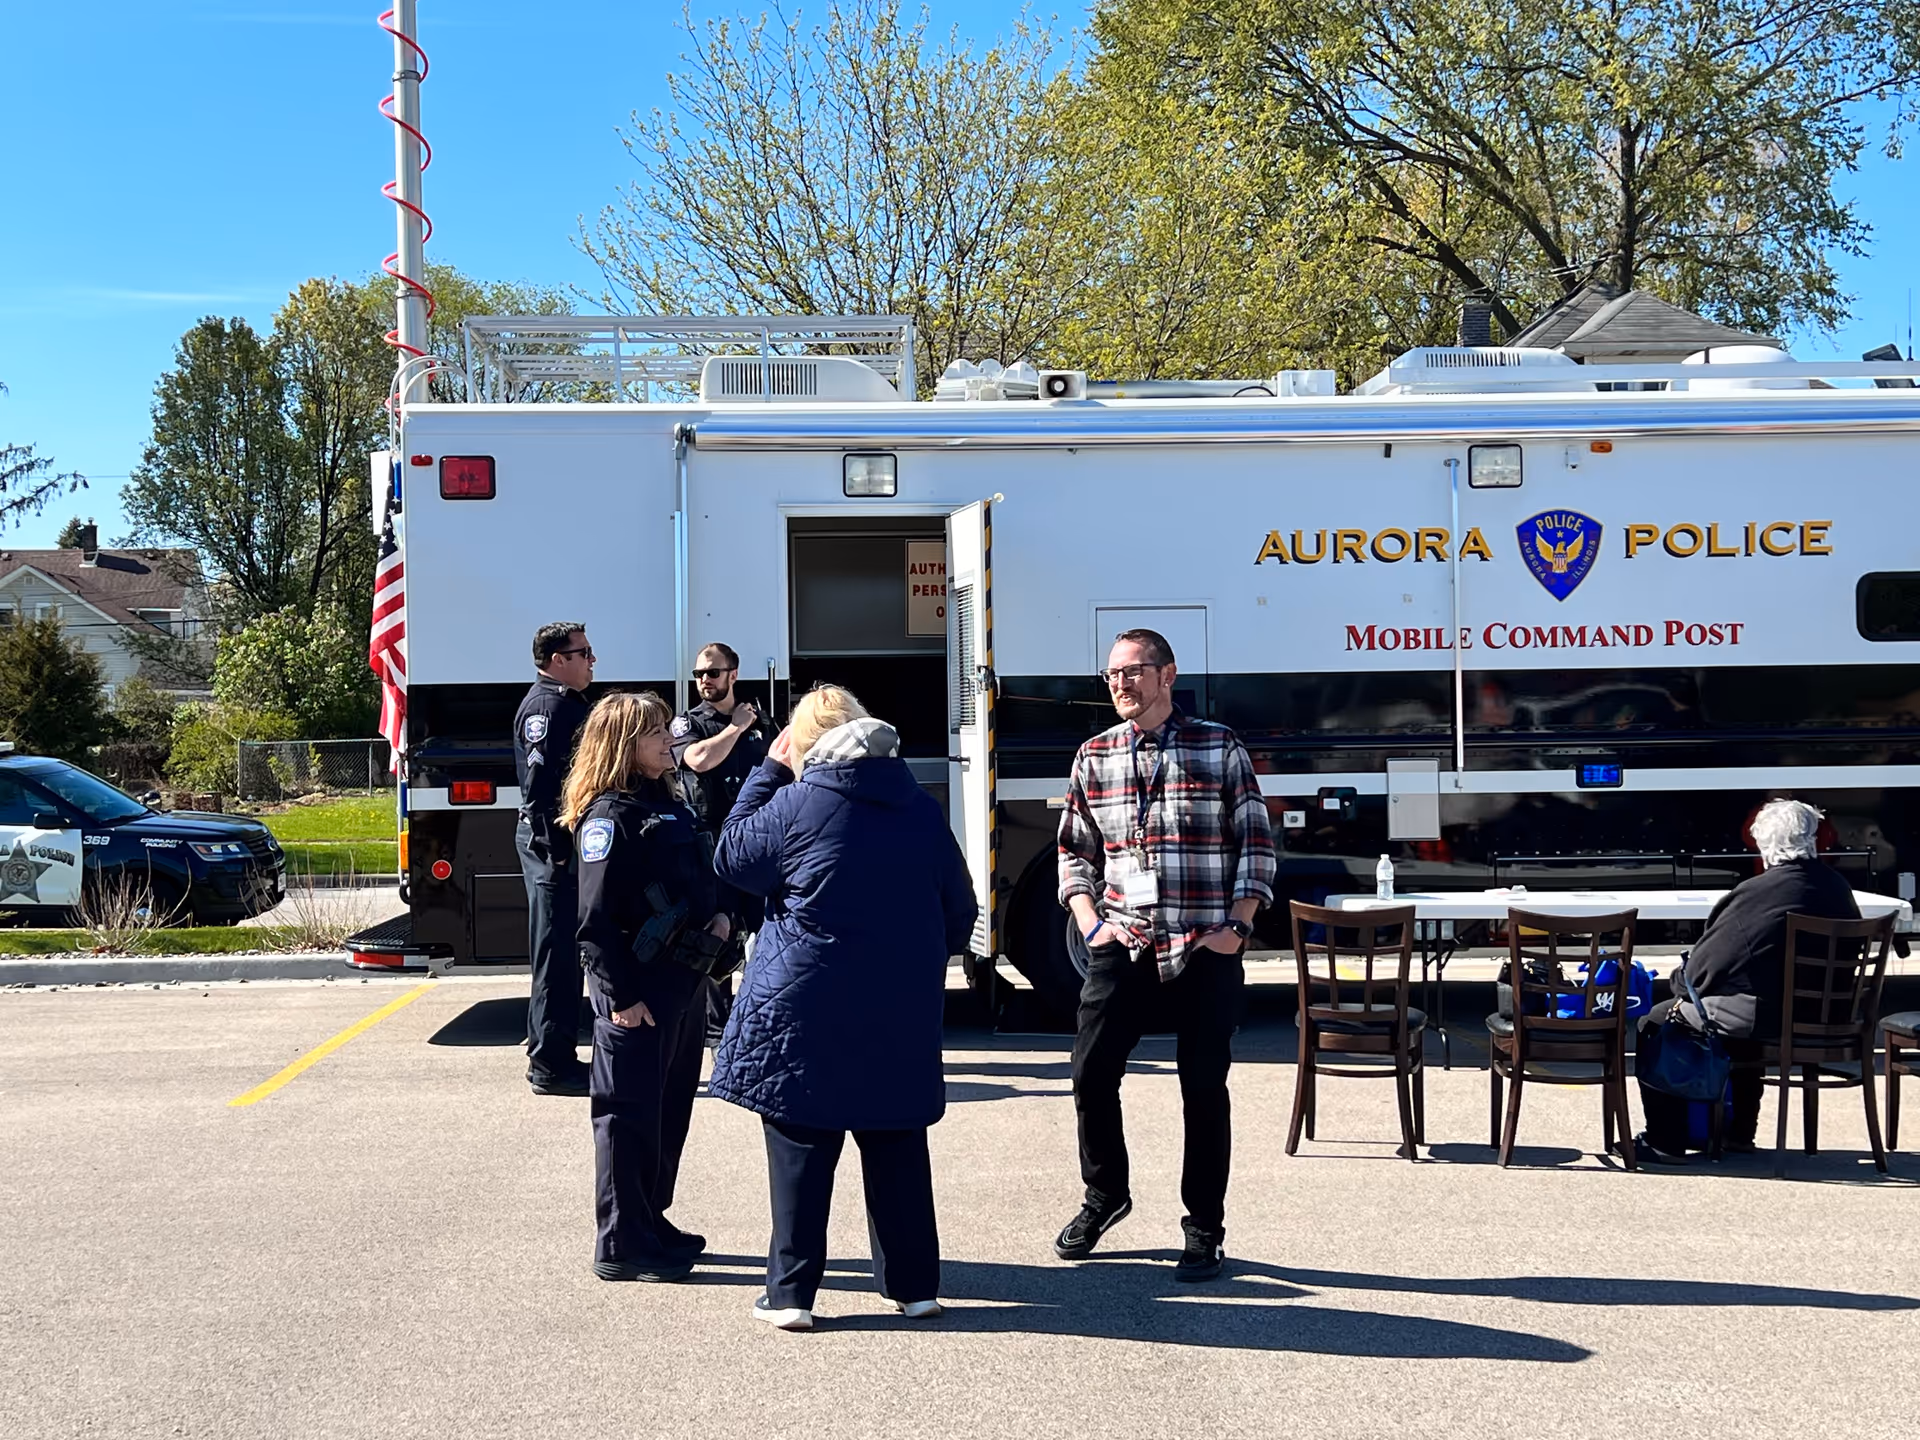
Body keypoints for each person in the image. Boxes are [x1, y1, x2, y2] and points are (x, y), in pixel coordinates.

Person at [710, 685, 976, 1331]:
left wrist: (768, 771)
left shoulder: (799, 801)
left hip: (807, 1005)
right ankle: (915, 1288)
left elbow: (731, 856)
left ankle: (792, 1294)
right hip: (897, 1004)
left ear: (805, 744)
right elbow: (960, 908)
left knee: (802, 1141)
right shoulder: (919, 806)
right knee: (896, 1141)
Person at [1055, 629, 1275, 1281]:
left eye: (1134, 671)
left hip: (1204, 942)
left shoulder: (1218, 745)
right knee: (1091, 1073)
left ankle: (1203, 1228)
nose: (1121, 683)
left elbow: (1255, 841)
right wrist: (1090, 920)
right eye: (1112, 674)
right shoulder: (1094, 755)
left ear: (1168, 675)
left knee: (1202, 1088)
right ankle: (1105, 1194)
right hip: (1124, 942)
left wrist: (1238, 923)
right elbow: (1074, 848)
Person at [564, 691, 733, 1281]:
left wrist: (719, 918)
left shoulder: (668, 801)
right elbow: (594, 920)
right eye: (657, 733)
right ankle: (620, 1243)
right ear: (625, 746)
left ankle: (649, 1218)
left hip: (681, 985)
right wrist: (620, 999)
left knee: (667, 1113)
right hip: (637, 992)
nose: (670, 739)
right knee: (627, 1117)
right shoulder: (609, 818)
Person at [1634, 798, 1861, 1162]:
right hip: (1830, 1019)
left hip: (1767, 1018)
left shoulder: (1758, 894)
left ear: (1762, 844)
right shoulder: (1837, 887)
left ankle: (1666, 1140)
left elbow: (1704, 971)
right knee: (1743, 1014)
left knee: (1658, 1020)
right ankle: (1739, 1134)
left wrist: (1679, 985)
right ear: (1814, 839)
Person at [671, 642, 773, 1044]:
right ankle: (717, 1029)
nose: (704, 681)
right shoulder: (689, 724)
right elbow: (697, 761)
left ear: (733, 674)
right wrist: (735, 729)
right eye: (699, 674)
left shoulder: (762, 722)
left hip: (759, 842)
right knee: (717, 932)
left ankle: (761, 1021)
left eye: (712, 673)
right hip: (712, 844)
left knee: (765, 932)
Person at [513, 622, 595, 1095]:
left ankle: (554, 1053)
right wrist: (559, 855)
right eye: (583, 653)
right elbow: (541, 790)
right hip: (551, 848)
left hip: (553, 846)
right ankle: (550, 1065)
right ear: (556, 659)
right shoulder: (548, 707)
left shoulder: (566, 703)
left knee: (563, 954)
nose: (591, 660)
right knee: (556, 957)